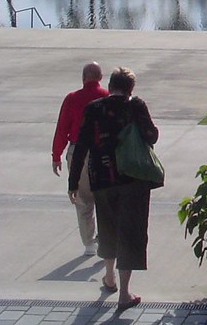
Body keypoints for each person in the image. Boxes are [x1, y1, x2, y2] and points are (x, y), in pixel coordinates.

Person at [68, 67, 159, 314]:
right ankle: (125, 293)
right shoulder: (136, 106)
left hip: (101, 178)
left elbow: (81, 145)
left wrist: (73, 182)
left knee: (107, 225)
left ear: (111, 85)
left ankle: (109, 277)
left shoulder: (94, 108)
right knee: (131, 230)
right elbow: (152, 136)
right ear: (131, 88)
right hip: (133, 179)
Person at [52, 61, 108, 255]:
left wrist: (56, 155)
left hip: (78, 152)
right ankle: (105, 239)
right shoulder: (107, 98)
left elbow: (62, 128)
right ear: (100, 78)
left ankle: (88, 243)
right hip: (103, 153)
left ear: (83, 78)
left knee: (83, 199)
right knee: (104, 197)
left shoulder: (72, 98)